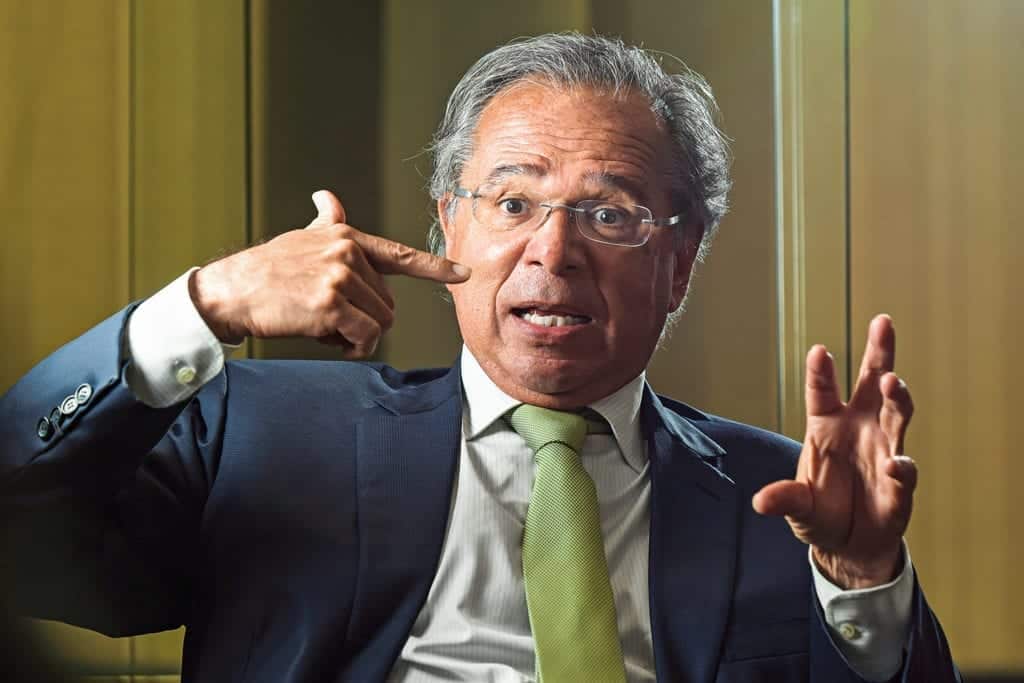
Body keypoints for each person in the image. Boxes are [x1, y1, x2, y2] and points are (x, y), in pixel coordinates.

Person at [0, 33, 958, 682]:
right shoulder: (262, 432)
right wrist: (202, 305)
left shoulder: (789, 502)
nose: (554, 250)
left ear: (679, 263)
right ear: (447, 225)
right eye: (512, 202)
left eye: (609, 212)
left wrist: (862, 578)